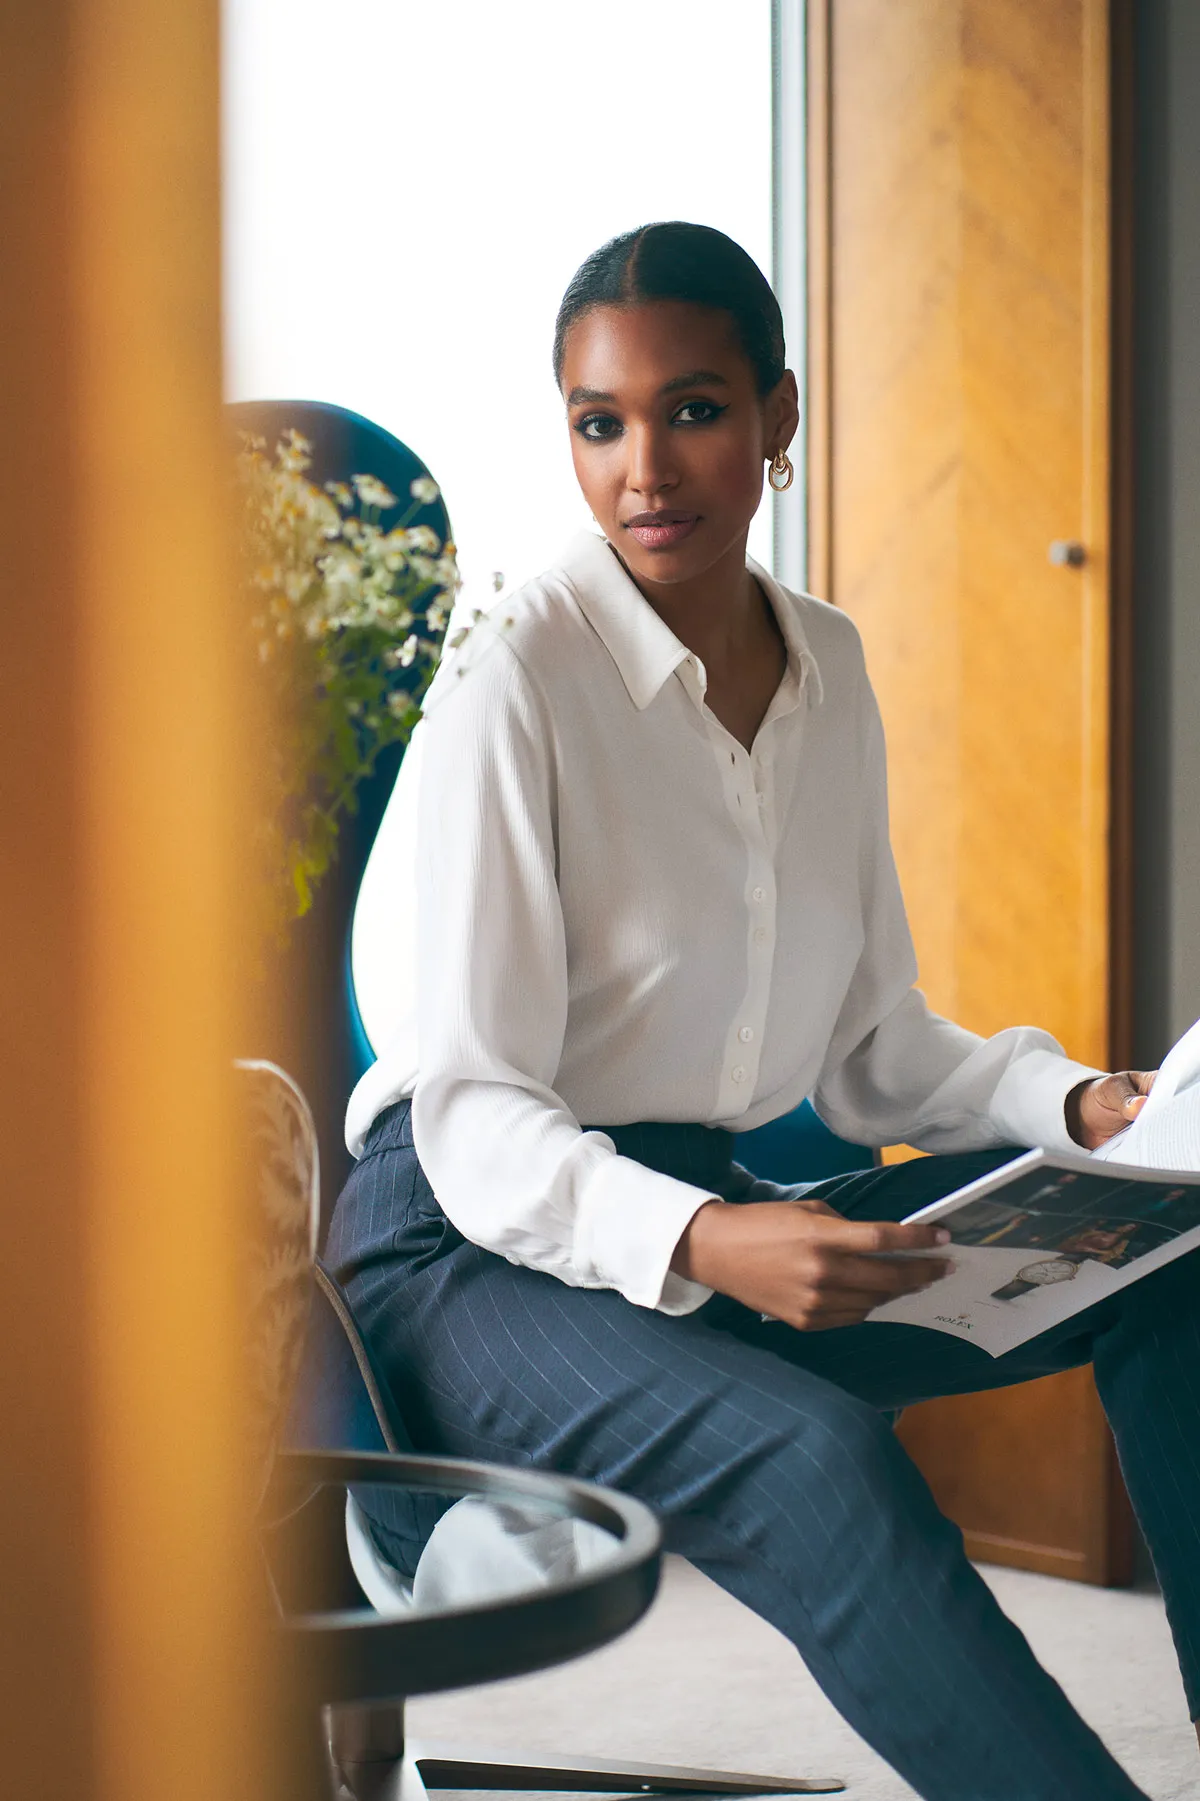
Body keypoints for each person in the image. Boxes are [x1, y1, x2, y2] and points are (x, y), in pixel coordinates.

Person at [327, 222, 1195, 1801]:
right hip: (462, 1254)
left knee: (1170, 1252)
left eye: (695, 410)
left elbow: (872, 1049)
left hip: (718, 1214)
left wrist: (1075, 1107)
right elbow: (473, 1118)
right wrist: (708, 1239)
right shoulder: (517, 673)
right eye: (600, 423)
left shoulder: (829, 668)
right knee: (820, 1463)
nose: (645, 468)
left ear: (778, 414)